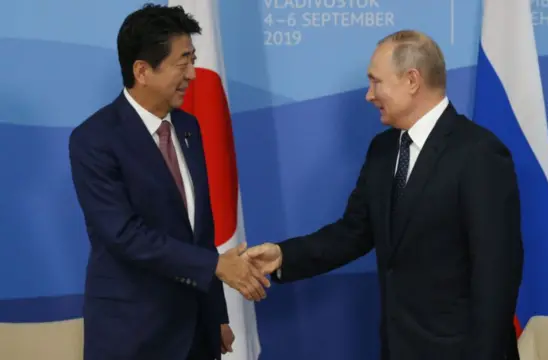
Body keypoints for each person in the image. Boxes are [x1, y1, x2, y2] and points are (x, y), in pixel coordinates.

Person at [245, 30, 524, 360]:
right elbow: (354, 232)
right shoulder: (383, 149)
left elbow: (497, 272)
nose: (368, 95)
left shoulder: (479, 153)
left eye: (376, 82)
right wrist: (283, 256)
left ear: (411, 80)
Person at [68, 4, 269, 360]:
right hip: (134, 334)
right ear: (142, 71)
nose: (192, 73)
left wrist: (217, 316)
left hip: (196, 332)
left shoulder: (189, 126)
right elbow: (124, 235)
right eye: (183, 62)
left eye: (193, 59)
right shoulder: (94, 139)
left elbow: (200, 231)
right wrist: (217, 267)